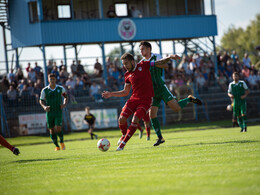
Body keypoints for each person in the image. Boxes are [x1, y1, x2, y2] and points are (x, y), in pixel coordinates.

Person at [102, 52, 180, 151]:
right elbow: (126, 92)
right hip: (133, 99)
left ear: (132, 61)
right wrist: (111, 94)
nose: (125, 66)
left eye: (126, 63)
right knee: (121, 119)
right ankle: (124, 135)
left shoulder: (143, 65)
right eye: (123, 64)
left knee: (135, 119)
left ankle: (122, 145)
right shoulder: (127, 75)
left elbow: (158, 62)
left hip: (145, 100)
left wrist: (169, 57)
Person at [139, 41, 202, 146]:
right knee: (152, 114)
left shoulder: (156, 56)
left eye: (143, 49)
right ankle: (160, 138)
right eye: (140, 50)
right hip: (152, 91)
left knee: (176, 108)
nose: (141, 51)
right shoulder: (141, 62)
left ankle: (189, 99)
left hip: (161, 88)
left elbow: (165, 66)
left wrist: (155, 64)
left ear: (149, 49)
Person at [39, 73, 68, 151]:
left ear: (55, 80)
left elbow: (65, 97)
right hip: (49, 112)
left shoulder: (60, 88)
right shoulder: (45, 90)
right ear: (48, 80)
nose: (52, 80)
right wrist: (44, 107)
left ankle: (62, 142)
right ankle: (57, 146)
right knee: (51, 129)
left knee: (58, 128)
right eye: (50, 79)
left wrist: (64, 104)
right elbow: (41, 101)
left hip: (58, 111)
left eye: (53, 79)